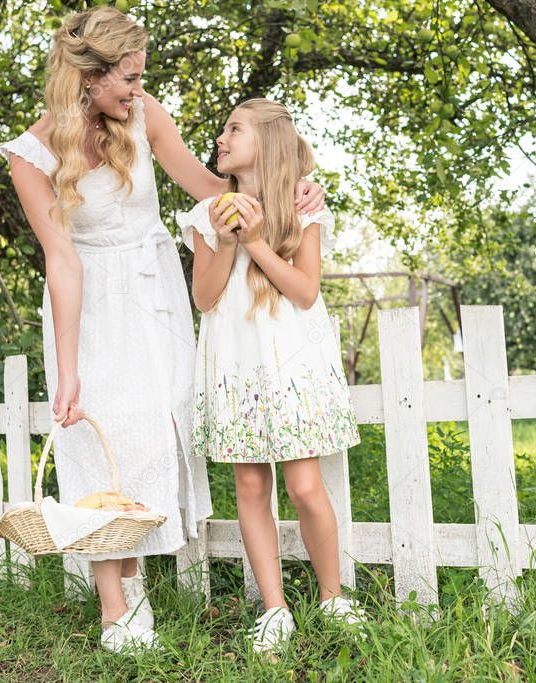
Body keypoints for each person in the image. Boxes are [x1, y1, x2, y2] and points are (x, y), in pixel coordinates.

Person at [0, 8, 325, 654]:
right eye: (128, 79)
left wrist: (291, 191)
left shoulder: (146, 116)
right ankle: (116, 603)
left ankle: (134, 567)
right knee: (97, 436)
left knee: (153, 431)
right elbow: (62, 261)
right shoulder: (29, 158)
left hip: (155, 292)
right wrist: (68, 371)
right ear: (87, 78)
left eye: (142, 79)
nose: (138, 91)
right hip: (87, 302)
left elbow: (207, 187)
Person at [176, 98, 364, 655]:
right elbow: (204, 298)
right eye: (223, 128)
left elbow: (306, 291)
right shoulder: (205, 215)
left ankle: (333, 599)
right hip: (236, 365)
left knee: (306, 486)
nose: (220, 137)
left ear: (268, 142)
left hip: (288, 366)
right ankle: (275, 608)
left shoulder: (301, 209)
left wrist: (256, 240)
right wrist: (228, 238)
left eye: (234, 128)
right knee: (251, 487)